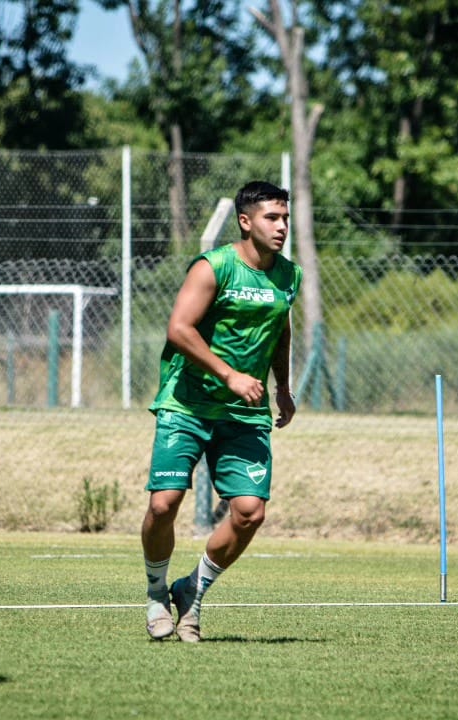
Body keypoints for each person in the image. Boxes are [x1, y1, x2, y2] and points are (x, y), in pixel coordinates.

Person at [140, 180, 301, 642]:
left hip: (244, 413)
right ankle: (155, 594)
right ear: (246, 222)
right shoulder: (214, 267)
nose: (282, 226)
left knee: (250, 512)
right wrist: (230, 374)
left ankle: (192, 589)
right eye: (272, 217)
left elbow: (281, 329)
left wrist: (283, 386)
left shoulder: (289, 276)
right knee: (163, 503)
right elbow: (179, 329)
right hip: (187, 403)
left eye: (286, 217)